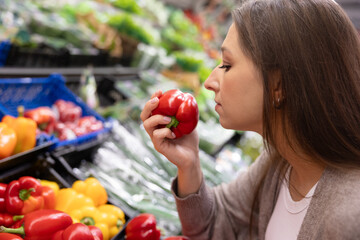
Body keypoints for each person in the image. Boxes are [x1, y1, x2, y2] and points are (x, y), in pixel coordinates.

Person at [140, 0, 360, 239]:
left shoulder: (348, 218)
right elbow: (217, 225)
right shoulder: (281, 160)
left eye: (227, 64)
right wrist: (189, 164)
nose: (209, 82)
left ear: (278, 85)